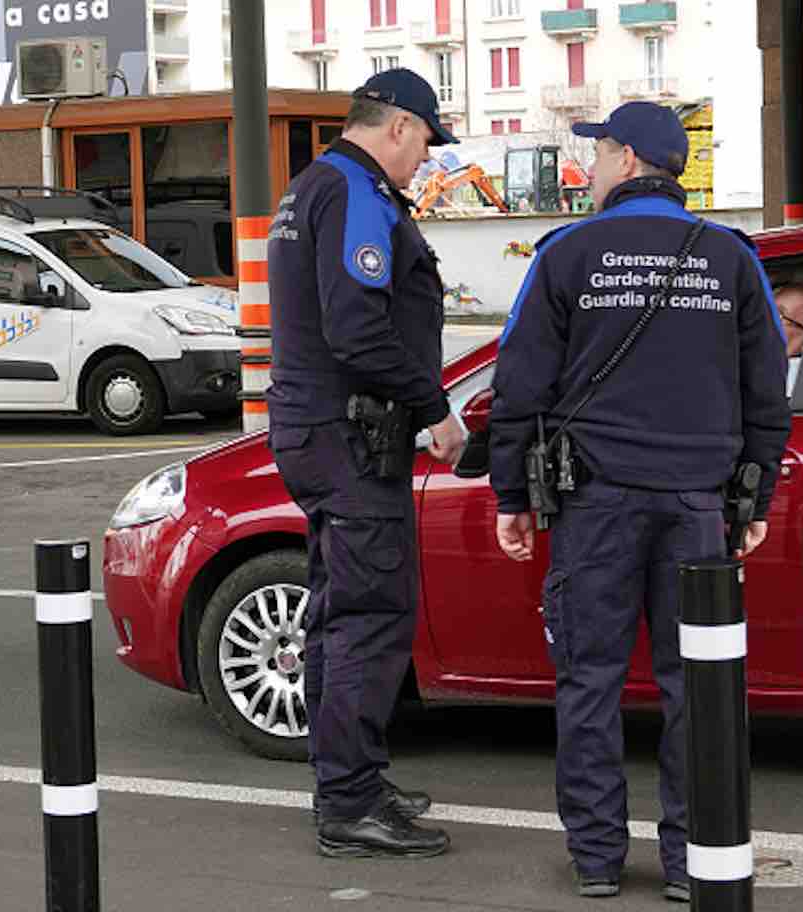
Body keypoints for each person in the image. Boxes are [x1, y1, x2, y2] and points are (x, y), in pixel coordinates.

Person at [487, 101, 791, 901]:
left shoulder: (566, 253)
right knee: (696, 683)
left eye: (596, 154)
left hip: (594, 505)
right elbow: (767, 387)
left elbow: (520, 383)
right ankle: (694, 859)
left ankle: (595, 858)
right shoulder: (731, 258)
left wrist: (512, 493)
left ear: (626, 158)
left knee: (589, 678)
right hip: (700, 508)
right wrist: (759, 491)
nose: (588, 169)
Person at [265, 67, 466, 859]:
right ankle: (349, 804)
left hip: (320, 433)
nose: (426, 160)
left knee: (337, 617)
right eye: (425, 143)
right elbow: (358, 330)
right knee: (368, 622)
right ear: (398, 128)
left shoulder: (311, 187)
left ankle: (349, 778)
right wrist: (435, 408)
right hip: (350, 441)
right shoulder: (354, 193)